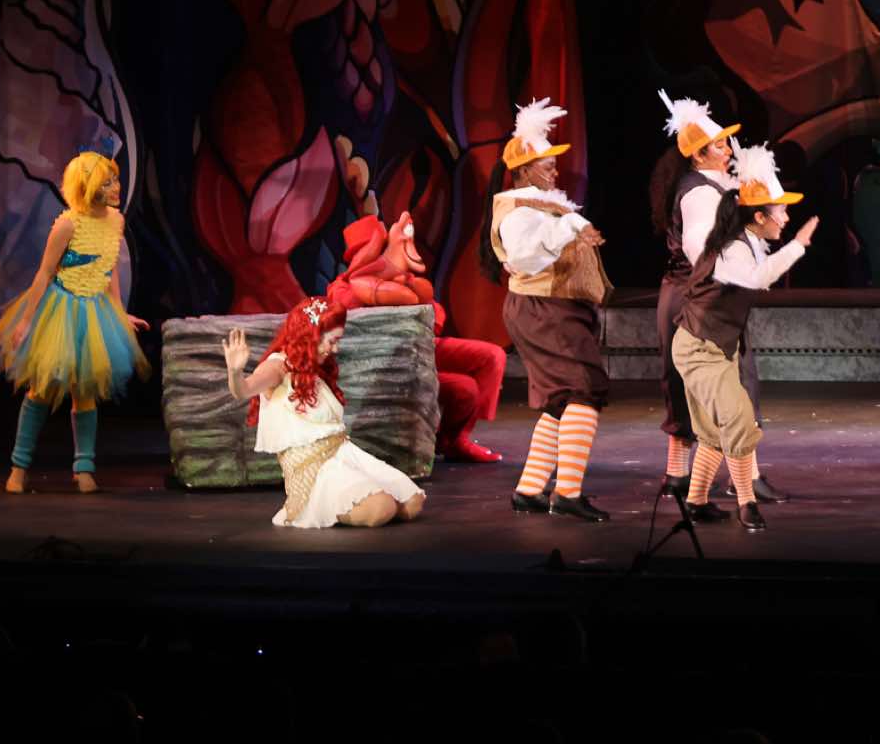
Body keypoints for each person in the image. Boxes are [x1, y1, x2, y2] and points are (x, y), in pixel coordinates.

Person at [648, 91, 787, 503]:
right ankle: (745, 478)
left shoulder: (715, 186)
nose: (728, 150)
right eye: (720, 145)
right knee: (731, 383)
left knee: (699, 385)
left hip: (695, 295)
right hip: (698, 298)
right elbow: (700, 248)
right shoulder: (699, 193)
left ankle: (680, 475)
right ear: (698, 155)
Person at [673, 146, 819, 531]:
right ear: (758, 216)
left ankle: (697, 502)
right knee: (739, 418)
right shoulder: (734, 247)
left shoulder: (745, 240)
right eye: (780, 211)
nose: (786, 217)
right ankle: (746, 502)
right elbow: (757, 279)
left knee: (712, 430)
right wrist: (798, 246)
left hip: (712, 346)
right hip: (699, 347)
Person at [0, 144, 151, 494]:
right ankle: (19, 467)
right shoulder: (68, 224)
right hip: (62, 311)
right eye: (107, 183)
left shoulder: (116, 221)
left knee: (86, 392)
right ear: (88, 187)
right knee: (41, 390)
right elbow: (44, 273)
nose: (116, 188)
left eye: (115, 181)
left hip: (95, 312)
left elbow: (109, 269)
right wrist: (26, 321)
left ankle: (84, 468)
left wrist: (119, 312)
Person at [489, 99, 614, 523]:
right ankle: (567, 493)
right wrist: (568, 227)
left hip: (551, 307)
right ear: (525, 170)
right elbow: (524, 257)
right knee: (583, 390)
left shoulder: (539, 204)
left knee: (562, 400)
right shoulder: (518, 209)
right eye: (547, 166)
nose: (555, 172)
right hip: (545, 309)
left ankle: (529, 490)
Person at [221, 298, 425, 528]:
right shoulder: (277, 366)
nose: (335, 349)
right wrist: (235, 372)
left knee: (412, 502)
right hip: (312, 468)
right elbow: (244, 390)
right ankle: (319, 505)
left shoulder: (311, 368)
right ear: (312, 336)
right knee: (382, 508)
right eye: (332, 341)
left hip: (342, 452)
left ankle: (362, 499)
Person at [327, 210, 508, 463]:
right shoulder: (342, 286)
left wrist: (406, 290)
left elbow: (437, 316)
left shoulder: (405, 279)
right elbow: (347, 307)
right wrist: (380, 287)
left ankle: (460, 435)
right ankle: (450, 440)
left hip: (422, 347)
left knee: (492, 356)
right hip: (389, 363)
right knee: (465, 389)